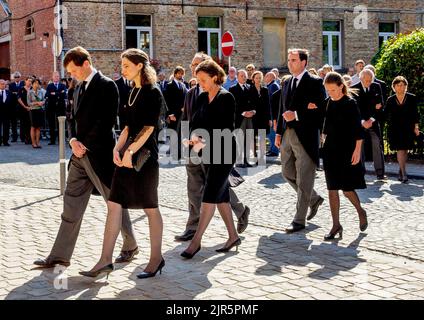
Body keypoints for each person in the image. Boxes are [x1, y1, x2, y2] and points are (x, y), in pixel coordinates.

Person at [33, 46, 138, 270]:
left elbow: (106, 121)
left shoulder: (107, 85)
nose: (71, 75)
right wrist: (72, 141)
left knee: (114, 202)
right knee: (71, 205)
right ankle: (60, 255)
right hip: (79, 157)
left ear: (86, 64)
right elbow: (72, 119)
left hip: (100, 157)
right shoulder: (77, 88)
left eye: (73, 71)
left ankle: (130, 246)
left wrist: (85, 145)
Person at [80, 48, 166, 279]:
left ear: (139, 66)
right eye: (122, 65)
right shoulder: (130, 92)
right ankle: (105, 260)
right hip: (126, 156)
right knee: (114, 204)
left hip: (145, 159)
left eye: (126, 65)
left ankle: (156, 258)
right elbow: (127, 128)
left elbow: (148, 128)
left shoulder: (153, 92)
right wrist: (117, 149)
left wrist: (130, 151)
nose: (123, 69)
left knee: (150, 208)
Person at [175, 52, 250, 242]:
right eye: (192, 65)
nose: (193, 69)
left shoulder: (225, 96)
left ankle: (238, 212)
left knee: (215, 187)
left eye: (198, 65)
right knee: (194, 186)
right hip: (194, 147)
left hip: (217, 148)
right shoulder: (192, 92)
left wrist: (204, 140)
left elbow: (225, 127)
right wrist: (188, 140)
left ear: (211, 73)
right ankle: (192, 227)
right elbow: (188, 120)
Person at [275, 48, 326, 233]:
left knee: (304, 179)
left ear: (304, 62)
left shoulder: (314, 82)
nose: (290, 63)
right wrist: (279, 133)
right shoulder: (287, 82)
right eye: (289, 60)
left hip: (305, 136)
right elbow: (282, 108)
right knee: (287, 173)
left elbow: (320, 109)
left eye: (294, 60)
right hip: (287, 134)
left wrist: (297, 114)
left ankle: (299, 220)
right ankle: (314, 199)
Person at [321, 72, 368, 240]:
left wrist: (357, 151)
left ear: (341, 86)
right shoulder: (327, 104)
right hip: (330, 150)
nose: (330, 93)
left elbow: (358, 130)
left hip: (348, 149)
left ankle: (360, 211)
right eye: (327, 90)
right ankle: (336, 225)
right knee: (332, 189)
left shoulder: (350, 104)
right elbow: (324, 128)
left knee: (347, 189)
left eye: (333, 90)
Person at [385, 76, 420, 183]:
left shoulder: (412, 98)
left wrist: (416, 127)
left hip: (408, 128)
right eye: (398, 85)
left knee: (405, 150)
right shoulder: (390, 100)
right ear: (394, 87)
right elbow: (385, 114)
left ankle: (400, 170)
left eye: (403, 85)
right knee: (400, 149)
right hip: (395, 129)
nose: (401, 87)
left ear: (406, 86)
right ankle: (404, 173)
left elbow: (415, 114)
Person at [351, 69, 386, 180]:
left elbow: (380, 105)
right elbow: (355, 108)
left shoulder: (376, 86)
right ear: (361, 78)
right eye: (366, 80)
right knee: (359, 147)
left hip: (373, 122)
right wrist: (362, 122)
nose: (368, 82)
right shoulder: (355, 88)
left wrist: (371, 120)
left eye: (370, 80)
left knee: (377, 145)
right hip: (359, 122)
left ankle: (380, 173)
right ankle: (359, 171)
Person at [230, 69, 255, 167]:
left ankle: (247, 160)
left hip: (251, 117)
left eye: (245, 76)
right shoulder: (233, 89)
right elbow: (233, 104)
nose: (244, 78)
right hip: (240, 118)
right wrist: (243, 112)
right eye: (242, 76)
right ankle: (239, 161)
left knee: (248, 140)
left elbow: (254, 102)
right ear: (237, 77)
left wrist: (253, 111)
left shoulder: (250, 87)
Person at [165, 66, 187, 160]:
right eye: (179, 73)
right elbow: (167, 101)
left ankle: (179, 154)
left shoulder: (183, 85)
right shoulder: (169, 85)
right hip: (173, 114)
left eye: (182, 73)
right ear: (175, 74)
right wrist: (169, 114)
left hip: (182, 113)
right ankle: (174, 154)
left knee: (180, 134)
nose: (181, 75)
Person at [249, 70, 270, 162]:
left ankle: (261, 156)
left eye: (260, 78)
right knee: (253, 136)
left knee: (262, 136)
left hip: (263, 116)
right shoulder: (249, 89)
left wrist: (269, 118)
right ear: (253, 79)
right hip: (253, 116)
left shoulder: (265, 90)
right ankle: (255, 155)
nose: (258, 79)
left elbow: (268, 104)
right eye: (256, 78)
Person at [45, 71, 67, 145]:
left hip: (61, 107)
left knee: (60, 123)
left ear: (59, 77)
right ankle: (52, 140)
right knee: (51, 124)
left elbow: (64, 95)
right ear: (53, 77)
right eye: (55, 76)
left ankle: (61, 140)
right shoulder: (49, 86)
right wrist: (59, 93)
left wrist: (54, 93)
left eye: (57, 76)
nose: (56, 78)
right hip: (51, 107)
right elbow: (48, 94)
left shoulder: (62, 85)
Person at [264, 72, 280, 157]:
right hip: (269, 114)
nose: (265, 77)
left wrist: (271, 117)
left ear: (271, 77)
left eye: (266, 76)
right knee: (270, 134)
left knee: (272, 133)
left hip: (272, 115)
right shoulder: (269, 85)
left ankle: (275, 151)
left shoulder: (274, 86)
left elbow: (273, 102)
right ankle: (271, 149)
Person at [27, 79, 45, 148]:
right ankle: (33, 143)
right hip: (33, 111)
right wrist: (37, 103)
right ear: (32, 84)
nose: (36, 84)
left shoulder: (41, 92)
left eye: (37, 83)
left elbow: (43, 100)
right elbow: (29, 103)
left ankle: (38, 142)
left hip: (40, 110)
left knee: (38, 127)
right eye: (35, 83)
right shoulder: (30, 92)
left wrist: (42, 102)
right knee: (33, 127)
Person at [17, 77, 32, 145]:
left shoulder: (32, 89)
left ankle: (30, 138)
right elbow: (19, 99)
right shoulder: (21, 89)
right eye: (28, 81)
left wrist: (31, 107)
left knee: (30, 124)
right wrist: (25, 106)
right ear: (25, 81)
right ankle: (24, 138)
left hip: (31, 109)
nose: (30, 82)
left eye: (31, 81)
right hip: (23, 109)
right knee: (24, 124)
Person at [0, 79, 12, 146]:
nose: (3, 85)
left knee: (6, 127)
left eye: (4, 84)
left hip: (7, 113)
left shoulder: (9, 92)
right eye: (1, 84)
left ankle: (5, 141)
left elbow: (11, 103)